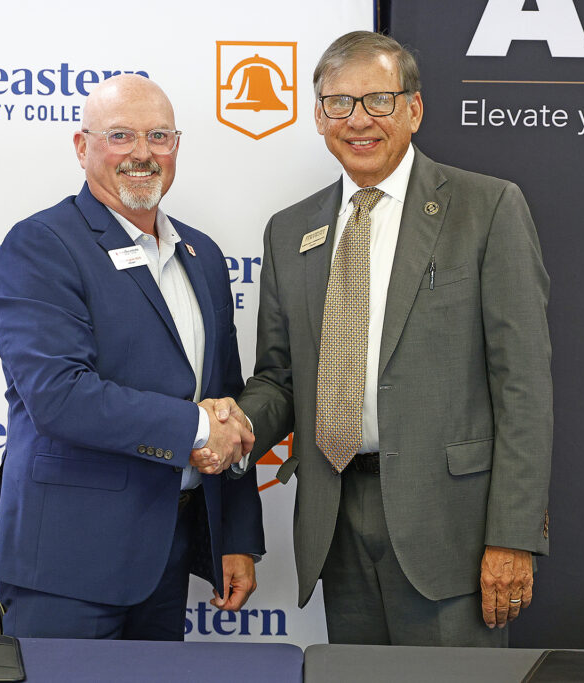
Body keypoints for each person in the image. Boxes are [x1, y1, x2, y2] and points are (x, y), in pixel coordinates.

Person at [221, 30, 552, 646]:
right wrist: (232, 424)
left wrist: (513, 532)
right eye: (339, 104)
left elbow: (524, 386)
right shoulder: (289, 231)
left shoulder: (486, 208)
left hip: (451, 526)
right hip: (334, 520)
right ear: (319, 117)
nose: (359, 120)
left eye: (378, 100)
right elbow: (281, 379)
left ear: (414, 109)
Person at [0, 74, 264, 640]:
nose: (142, 154)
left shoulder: (202, 256)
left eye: (159, 136)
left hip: (167, 557)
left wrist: (234, 536)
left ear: (176, 146)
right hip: (65, 561)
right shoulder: (41, 245)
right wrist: (198, 427)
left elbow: (225, 395)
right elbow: (59, 397)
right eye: (120, 136)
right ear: (83, 147)